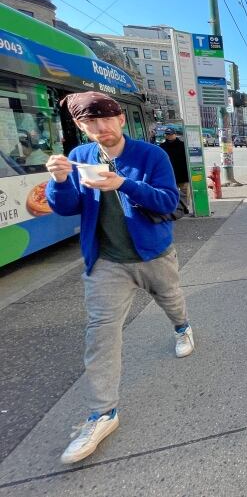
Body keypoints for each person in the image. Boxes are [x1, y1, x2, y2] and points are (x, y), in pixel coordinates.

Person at [44, 91, 195, 466]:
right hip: (106, 260)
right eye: (89, 123)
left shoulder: (151, 155)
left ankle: (182, 328)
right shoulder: (79, 157)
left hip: (153, 253)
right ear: (80, 126)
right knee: (100, 332)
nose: (100, 128)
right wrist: (60, 181)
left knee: (172, 300)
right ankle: (102, 414)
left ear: (121, 120)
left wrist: (123, 184)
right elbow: (66, 208)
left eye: (106, 119)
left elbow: (166, 201)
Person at [159, 128, 190, 212]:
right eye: (167, 134)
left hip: (182, 173)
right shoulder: (162, 146)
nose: (169, 136)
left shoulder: (183, 145)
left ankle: (185, 207)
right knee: (172, 192)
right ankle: (174, 208)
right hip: (169, 173)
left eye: (171, 134)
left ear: (175, 134)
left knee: (185, 192)